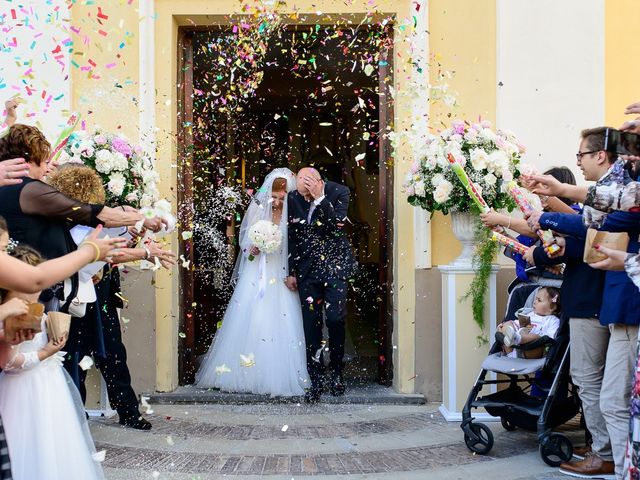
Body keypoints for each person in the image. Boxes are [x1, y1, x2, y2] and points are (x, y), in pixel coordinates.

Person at [527, 127, 640, 479]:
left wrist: (551, 211)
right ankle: (618, 464)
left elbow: (601, 224)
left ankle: (614, 461)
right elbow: (602, 218)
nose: (628, 158)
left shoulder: (624, 187)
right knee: (613, 398)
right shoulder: (625, 189)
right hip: (616, 302)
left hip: (621, 303)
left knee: (611, 398)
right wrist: (558, 199)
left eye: (632, 151)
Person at [46, 164, 175, 429]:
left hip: (99, 294)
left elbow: (113, 249)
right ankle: (75, 415)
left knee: (112, 352)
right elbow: (100, 254)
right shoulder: (60, 227)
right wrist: (145, 253)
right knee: (74, 356)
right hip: (71, 301)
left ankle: (127, 411)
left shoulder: (99, 221)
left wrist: (133, 237)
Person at [0, 124, 164, 310]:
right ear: (29, 160)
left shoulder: (12, 188)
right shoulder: (29, 190)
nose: (47, 169)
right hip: (31, 287)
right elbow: (86, 212)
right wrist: (141, 218)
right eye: (45, 161)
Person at [196, 168, 310, 397]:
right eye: (274, 197)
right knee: (253, 315)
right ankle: (245, 372)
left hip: (281, 272)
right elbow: (245, 243)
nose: (277, 202)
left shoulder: (294, 214)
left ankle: (282, 372)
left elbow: (298, 244)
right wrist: (254, 247)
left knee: (282, 317)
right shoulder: (259, 211)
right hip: (257, 271)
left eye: (282, 197)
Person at [0, 245, 105, 480]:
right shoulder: (9, 315)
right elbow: (9, 362)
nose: (34, 294)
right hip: (22, 391)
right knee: (28, 443)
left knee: (55, 441)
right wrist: (46, 352)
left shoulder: (36, 309)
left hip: (49, 386)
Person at [285, 166, 357, 403]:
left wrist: (319, 199)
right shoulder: (294, 197)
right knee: (311, 325)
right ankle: (315, 379)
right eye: (301, 194)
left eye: (306, 194)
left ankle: (336, 372)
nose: (303, 198)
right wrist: (291, 270)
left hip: (335, 269)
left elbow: (337, 229)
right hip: (307, 271)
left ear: (317, 182)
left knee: (336, 319)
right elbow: (292, 235)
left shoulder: (339, 192)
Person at [496, 286, 561, 359]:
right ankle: (511, 353)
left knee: (537, 337)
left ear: (551, 308)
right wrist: (504, 327)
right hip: (516, 343)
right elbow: (517, 323)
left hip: (532, 350)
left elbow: (551, 338)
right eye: (535, 298)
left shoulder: (553, 320)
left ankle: (517, 339)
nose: (535, 302)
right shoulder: (530, 313)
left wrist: (535, 334)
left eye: (539, 300)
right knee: (508, 324)